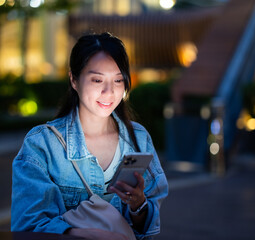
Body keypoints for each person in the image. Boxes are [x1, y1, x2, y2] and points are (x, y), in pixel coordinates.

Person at [11, 32, 168, 240]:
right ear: (74, 80)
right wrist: (86, 234)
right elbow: (27, 227)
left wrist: (138, 205)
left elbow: (148, 229)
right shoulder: (42, 145)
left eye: (118, 80)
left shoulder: (138, 138)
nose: (109, 92)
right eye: (97, 79)